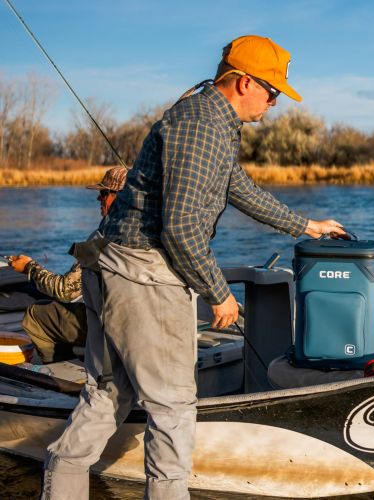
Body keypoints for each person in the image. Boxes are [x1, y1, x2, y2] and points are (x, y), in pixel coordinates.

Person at [41, 35, 348, 500]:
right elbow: (181, 229)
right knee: (173, 409)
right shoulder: (203, 125)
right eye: (273, 90)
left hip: (116, 266)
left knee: (109, 393)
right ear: (244, 81)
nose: (275, 101)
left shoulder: (213, 120)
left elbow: (238, 187)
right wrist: (218, 292)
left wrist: (305, 224)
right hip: (144, 274)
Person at [8, 166, 127, 363]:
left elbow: (65, 290)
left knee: (36, 314)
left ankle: (59, 369)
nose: (99, 198)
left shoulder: (103, 239)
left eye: (104, 193)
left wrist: (29, 267)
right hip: (135, 323)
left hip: (110, 329)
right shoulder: (147, 233)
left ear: (121, 198)